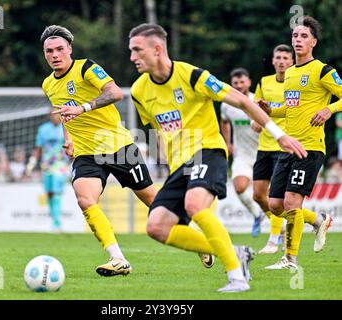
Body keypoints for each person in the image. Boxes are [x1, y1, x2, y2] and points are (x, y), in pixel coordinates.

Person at [128, 23, 306, 292]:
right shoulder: (139, 91)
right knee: (156, 227)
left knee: (195, 205)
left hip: (208, 150)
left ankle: (237, 277)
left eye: (137, 50)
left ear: (157, 48)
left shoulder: (191, 76)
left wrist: (279, 135)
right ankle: (235, 252)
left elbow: (244, 102)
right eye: (131, 51)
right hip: (181, 165)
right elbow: (158, 130)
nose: (132, 57)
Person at [40, 25, 157, 277]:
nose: (55, 55)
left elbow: (114, 93)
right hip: (86, 153)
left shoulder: (86, 67)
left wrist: (83, 108)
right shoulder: (48, 84)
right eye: (49, 51)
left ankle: (199, 239)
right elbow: (65, 114)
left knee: (153, 202)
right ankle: (117, 258)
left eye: (60, 49)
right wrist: (68, 138)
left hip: (117, 146)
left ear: (69, 49)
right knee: (84, 199)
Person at [259, 17, 341, 269]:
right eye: (295, 35)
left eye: (304, 36)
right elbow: (291, 108)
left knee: (293, 202)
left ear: (314, 42)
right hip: (287, 148)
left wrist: (330, 110)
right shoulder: (290, 73)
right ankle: (318, 220)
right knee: (275, 205)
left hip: (310, 147)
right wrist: (270, 111)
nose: (298, 40)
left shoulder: (323, 70)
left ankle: (290, 260)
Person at [252, 44, 294, 254]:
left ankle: (273, 240)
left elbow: (295, 111)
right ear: (273, 61)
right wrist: (255, 121)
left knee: (275, 197)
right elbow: (256, 107)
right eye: (278, 57)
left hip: (284, 145)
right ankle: (286, 224)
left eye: (286, 58)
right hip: (264, 146)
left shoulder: (295, 82)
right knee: (258, 195)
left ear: (292, 62)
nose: (281, 61)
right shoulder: (264, 82)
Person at [220, 68, 264, 237]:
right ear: (232, 84)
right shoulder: (226, 104)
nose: (239, 86)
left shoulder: (257, 101)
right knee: (239, 187)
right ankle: (256, 214)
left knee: (271, 197)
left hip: (263, 153)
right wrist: (227, 142)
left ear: (249, 82)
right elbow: (224, 122)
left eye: (242, 82)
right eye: (235, 83)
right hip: (242, 154)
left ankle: (280, 231)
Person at [26, 112, 70, 230]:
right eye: (53, 114)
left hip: (60, 164)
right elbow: (38, 148)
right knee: (49, 192)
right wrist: (32, 162)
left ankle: (57, 222)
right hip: (46, 164)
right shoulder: (43, 129)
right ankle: (54, 220)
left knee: (56, 192)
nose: (55, 116)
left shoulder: (66, 127)